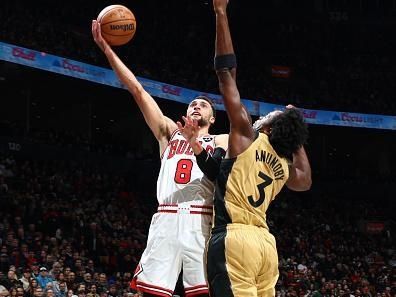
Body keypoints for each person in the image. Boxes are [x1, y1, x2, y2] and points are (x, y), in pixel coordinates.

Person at [91, 20, 227, 297]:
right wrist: (107, 50)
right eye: (192, 104)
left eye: (203, 105)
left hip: (201, 222)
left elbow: (246, 138)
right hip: (166, 217)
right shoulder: (170, 133)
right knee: (151, 293)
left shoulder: (221, 140)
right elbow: (139, 92)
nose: (196, 106)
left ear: (212, 118)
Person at [205, 1, 313, 297]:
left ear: (268, 127)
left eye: (269, 117)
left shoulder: (245, 136)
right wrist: (296, 135)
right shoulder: (284, 165)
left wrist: (221, 12)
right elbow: (305, 182)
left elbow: (226, 72)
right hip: (266, 246)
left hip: (234, 237)